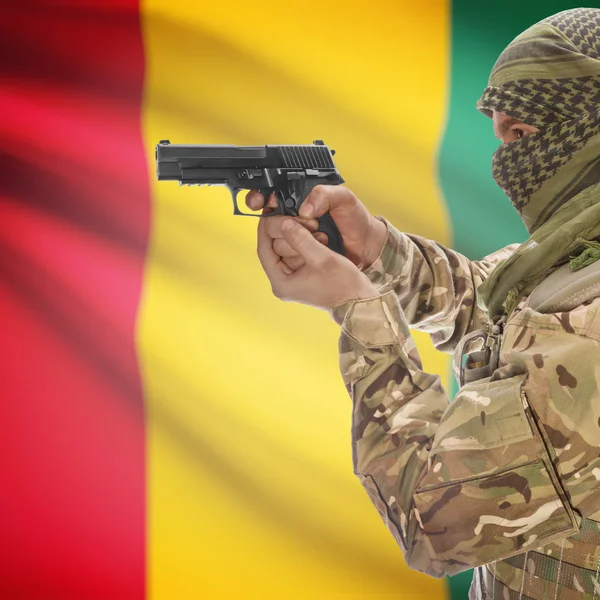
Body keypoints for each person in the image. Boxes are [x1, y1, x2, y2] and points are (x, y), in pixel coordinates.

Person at [246, 7, 600, 599]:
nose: (505, 163)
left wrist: (358, 310)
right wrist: (377, 249)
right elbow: (498, 308)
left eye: (522, 135)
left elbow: (433, 520)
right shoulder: (575, 255)